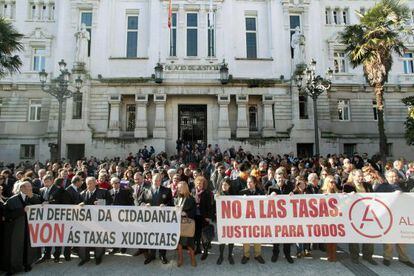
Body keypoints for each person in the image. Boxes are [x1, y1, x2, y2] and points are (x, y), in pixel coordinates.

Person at [374, 170, 414, 268]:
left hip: (400, 216)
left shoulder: (401, 185)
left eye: (395, 176)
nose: (394, 178)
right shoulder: (381, 187)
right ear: (386, 177)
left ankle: (404, 258)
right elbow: (377, 199)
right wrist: (393, 194)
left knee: (402, 239)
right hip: (387, 217)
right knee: (389, 239)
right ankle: (387, 258)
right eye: (391, 176)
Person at [3, 181, 41, 274]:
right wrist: (21, 211)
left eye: (30, 186)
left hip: (30, 228)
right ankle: (15, 267)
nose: (30, 188)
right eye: (28, 187)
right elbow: (7, 215)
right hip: (17, 229)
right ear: (21, 188)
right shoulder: (12, 200)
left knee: (29, 246)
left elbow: (41, 204)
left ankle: (28, 264)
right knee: (17, 248)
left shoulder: (34, 197)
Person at [343, 170, 377, 265]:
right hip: (353, 215)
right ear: (353, 177)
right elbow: (343, 199)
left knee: (369, 236)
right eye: (358, 176)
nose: (361, 178)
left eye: (362, 176)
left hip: (367, 214)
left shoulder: (367, 185)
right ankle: (354, 256)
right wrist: (349, 196)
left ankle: (368, 256)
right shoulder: (348, 186)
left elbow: (373, 197)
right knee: (354, 237)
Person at [138, 173, 173, 265]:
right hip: (149, 219)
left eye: (159, 181)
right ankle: (152, 255)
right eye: (155, 180)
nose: (157, 182)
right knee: (152, 236)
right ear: (151, 180)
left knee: (162, 237)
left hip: (162, 219)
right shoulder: (145, 190)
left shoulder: (167, 190)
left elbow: (171, 203)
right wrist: (145, 205)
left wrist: (165, 205)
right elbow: (139, 201)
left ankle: (162, 255)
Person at [78, 177, 112, 266]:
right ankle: (85, 258)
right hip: (86, 221)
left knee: (98, 239)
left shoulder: (104, 191)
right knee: (84, 238)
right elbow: (77, 205)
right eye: (87, 183)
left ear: (95, 183)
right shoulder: (82, 193)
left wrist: (101, 203)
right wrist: (79, 205)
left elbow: (110, 202)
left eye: (91, 183)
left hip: (100, 220)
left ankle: (98, 257)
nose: (88, 185)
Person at [268, 172, 294, 263]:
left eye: (282, 178)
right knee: (276, 238)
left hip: (287, 218)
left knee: (287, 237)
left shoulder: (289, 188)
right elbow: (265, 202)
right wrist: (270, 197)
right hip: (275, 218)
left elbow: (295, 201)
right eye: (278, 178)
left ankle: (287, 255)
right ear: (275, 178)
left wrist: (293, 195)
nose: (280, 179)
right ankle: (275, 254)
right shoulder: (271, 188)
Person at [240, 176, 265, 264]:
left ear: (254, 183)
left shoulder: (261, 192)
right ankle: (246, 255)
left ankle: (257, 255)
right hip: (246, 219)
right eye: (247, 182)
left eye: (250, 182)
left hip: (257, 219)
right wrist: (242, 199)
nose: (248, 184)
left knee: (257, 236)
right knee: (246, 236)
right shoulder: (242, 192)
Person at [175, 181, 197, 267]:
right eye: (178, 187)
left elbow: (194, 211)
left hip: (187, 224)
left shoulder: (191, 199)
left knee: (189, 243)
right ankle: (180, 258)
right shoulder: (177, 198)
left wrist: (185, 213)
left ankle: (192, 259)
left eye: (180, 187)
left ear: (185, 188)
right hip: (177, 223)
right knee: (179, 243)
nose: (178, 189)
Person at [215, 177, 235, 265]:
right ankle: (221, 255)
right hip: (221, 221)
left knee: (231, 238)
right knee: (222, 239)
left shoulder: (233, 195)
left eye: (226, 185)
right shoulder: (218, 195)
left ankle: (230, 255)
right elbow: (213, 207)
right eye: (223, 184)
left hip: (231, 220)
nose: (224, 186)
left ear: (229, 186)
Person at [193, 176, 213, 260]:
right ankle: (198, 248)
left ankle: (205, 251)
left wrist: (208, 217)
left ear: (204, 184)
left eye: (201, 183)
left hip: (204, 217)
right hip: (195, 216)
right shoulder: (193, 192)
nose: (199, 184)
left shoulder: (207, 193)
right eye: (198, 183)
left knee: (205, 235)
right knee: (197, 233)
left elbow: (210, 206)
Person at [321, 175, 339, 262]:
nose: (333, 183)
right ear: (327, 183)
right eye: (331, 182)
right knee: (328, 238)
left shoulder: (336, 191)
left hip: (335, 218)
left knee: (334, 238)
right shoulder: (322, 192)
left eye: (334, 182)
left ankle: (334, 254)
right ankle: (329, 254)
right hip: (326, 218)